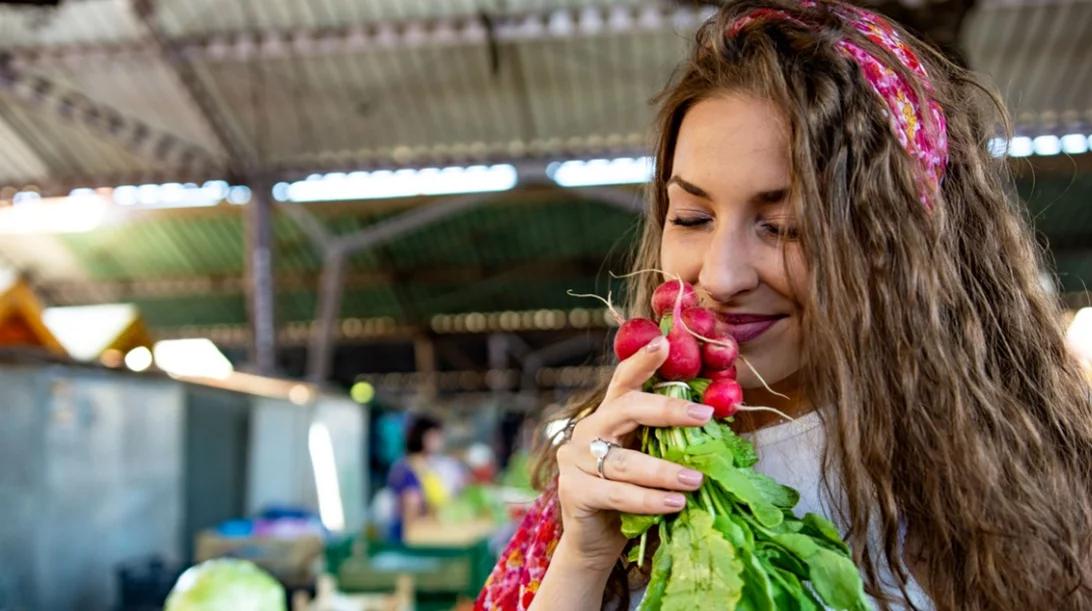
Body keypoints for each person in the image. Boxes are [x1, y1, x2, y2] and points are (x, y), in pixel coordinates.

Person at [476, 1, 1092, 610]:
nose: (719, 275)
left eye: (786, 226)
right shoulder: (614, 469)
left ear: (896, 246)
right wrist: (582, 559)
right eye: (691, 217)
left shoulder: (1041, 495)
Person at [386, 414, 453, 541]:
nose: (439, 441)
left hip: (428, 532)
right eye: (434, 436)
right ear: (422, 437)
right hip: (410, 538)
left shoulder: (428, 466)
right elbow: (410, 505)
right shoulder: (407, 468)